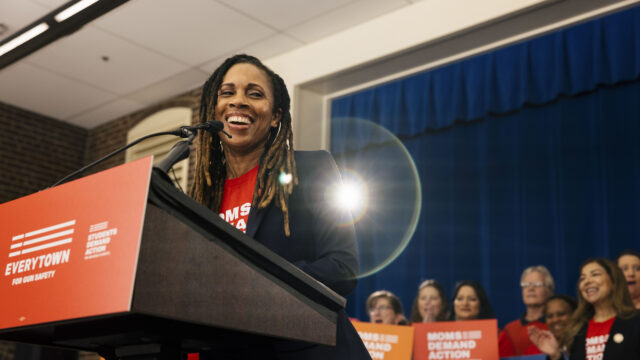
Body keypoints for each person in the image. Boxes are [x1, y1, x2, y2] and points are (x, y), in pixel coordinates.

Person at [189, 54, 370, 359]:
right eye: (227, 92)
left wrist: (257, 281)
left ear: (275, 116)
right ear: (213, 109)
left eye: (255, 94)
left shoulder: (311, 170)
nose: (239, 101)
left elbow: (343, 267)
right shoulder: (199, 199)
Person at [530, 258, 640, 359]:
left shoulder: (635, 321)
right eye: (583, 278)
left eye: (595, 274)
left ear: (613, 282)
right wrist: (555, 355)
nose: (587, 281)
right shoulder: (577, 329)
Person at [499, 265, 554, 357]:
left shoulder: (556, 324)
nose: (531, 289)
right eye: (526, 285)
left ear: (549, 290)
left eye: (537, 284)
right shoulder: (510, 328)